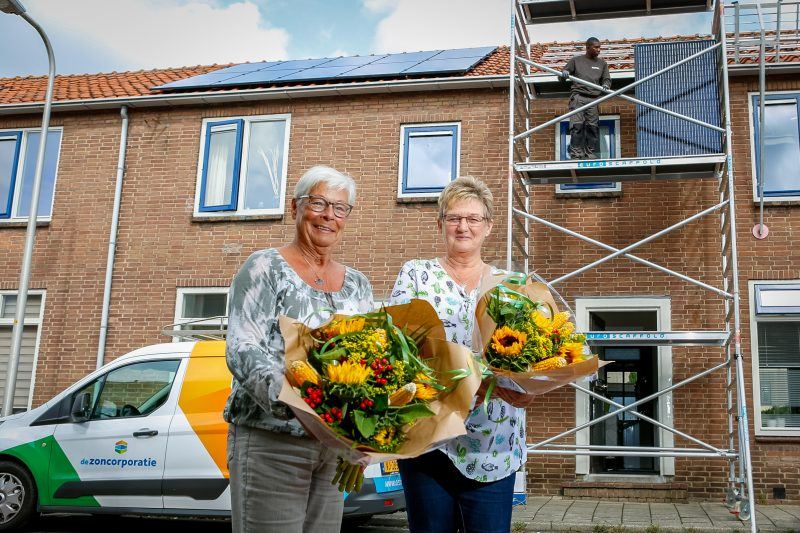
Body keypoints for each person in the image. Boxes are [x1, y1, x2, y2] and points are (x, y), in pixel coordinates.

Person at [224, 165, 374, 533]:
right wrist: (296, 399)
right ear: (295, 208)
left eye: (339, 208)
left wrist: (364, 433)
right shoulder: (264, 267)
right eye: (318, 203)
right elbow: (242, 346)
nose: (328, 215)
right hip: (272, 440)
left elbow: (371, 359)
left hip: (335, 449)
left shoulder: (358, 284)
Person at [388, 176, 527, 533]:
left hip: (493, 444)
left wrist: (526, 387)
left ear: (489, 227)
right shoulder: (417, 275)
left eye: (473, 218)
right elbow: (397, 348)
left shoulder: (513, 284)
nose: (463, 226)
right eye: (453, 218)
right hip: (428, 441)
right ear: (441, 224)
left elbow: (529, 357)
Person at [561, 37, 611, 160]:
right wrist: (565, 73)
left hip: (594, 98)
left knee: (592, 127)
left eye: (600, 47)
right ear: (588, 47)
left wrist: (606, 85)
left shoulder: (602, 64)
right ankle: (576, 153)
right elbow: (563, 74)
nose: (599, 50)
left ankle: (590, 153)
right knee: (577, 126)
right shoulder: (576, 60)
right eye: (596, 47)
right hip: (578, 97)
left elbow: (606, 79)